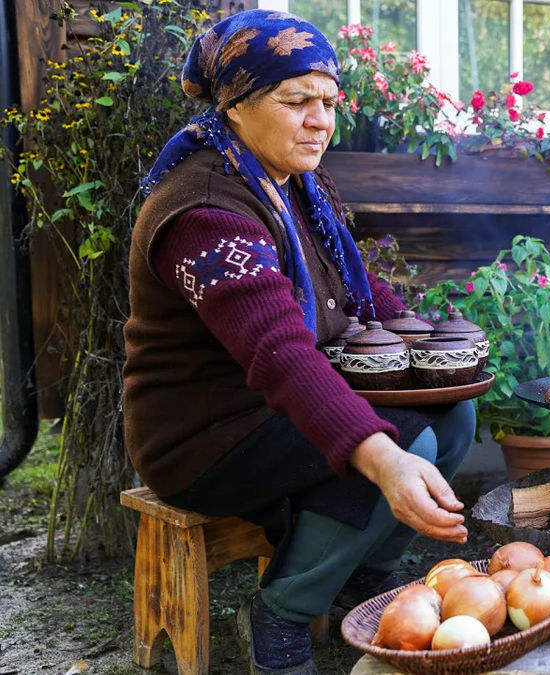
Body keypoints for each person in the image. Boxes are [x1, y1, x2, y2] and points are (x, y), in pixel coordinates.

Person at [123, 11, 474, 673]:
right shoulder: (204, 210)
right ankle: (282, 614)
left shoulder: (292, 185)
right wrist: (382, 452)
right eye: (296, 101)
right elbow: (278, 351)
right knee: (398, 443)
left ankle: (365, 576)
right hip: (207, 434)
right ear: (235, 105)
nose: (321, 120)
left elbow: (358, 291)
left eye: (330, 103)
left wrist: (429, 347)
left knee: (453, 415)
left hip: (274, 408)